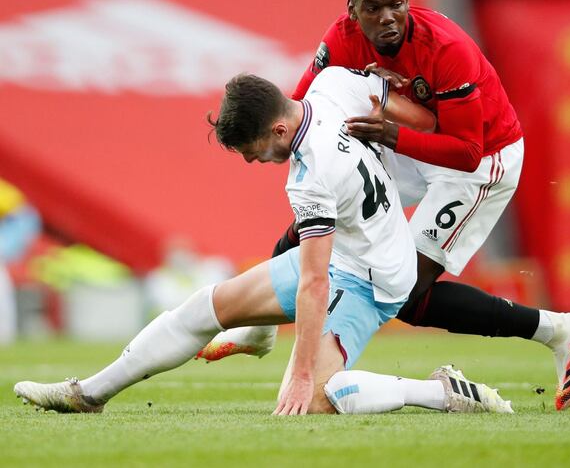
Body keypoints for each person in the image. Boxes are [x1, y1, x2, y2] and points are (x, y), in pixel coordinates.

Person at [199, 0, 570, 410]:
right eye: (374, 8)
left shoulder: (448, 49)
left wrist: (391, 134)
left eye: (397, 4)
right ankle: (260, 328)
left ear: (408, 0)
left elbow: (467, 150)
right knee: (321, 201)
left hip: (481, 160)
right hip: (406, 140)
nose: (388, 17)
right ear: (353, 10)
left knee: (403, 292)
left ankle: (558, 329)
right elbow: (301, 112)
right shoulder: (341, 40)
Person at [13, 70, 513, 416]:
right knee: (202, 309)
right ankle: (88, 394)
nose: (254, 162)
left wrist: (299, 374)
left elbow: (315, 284)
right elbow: (411, 110)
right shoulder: (332, 86)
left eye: (254, 152)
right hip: (355, 252)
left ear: (278, 128)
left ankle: (441, 391)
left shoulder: (312, 175)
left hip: (372, 280)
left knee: (317, 399)